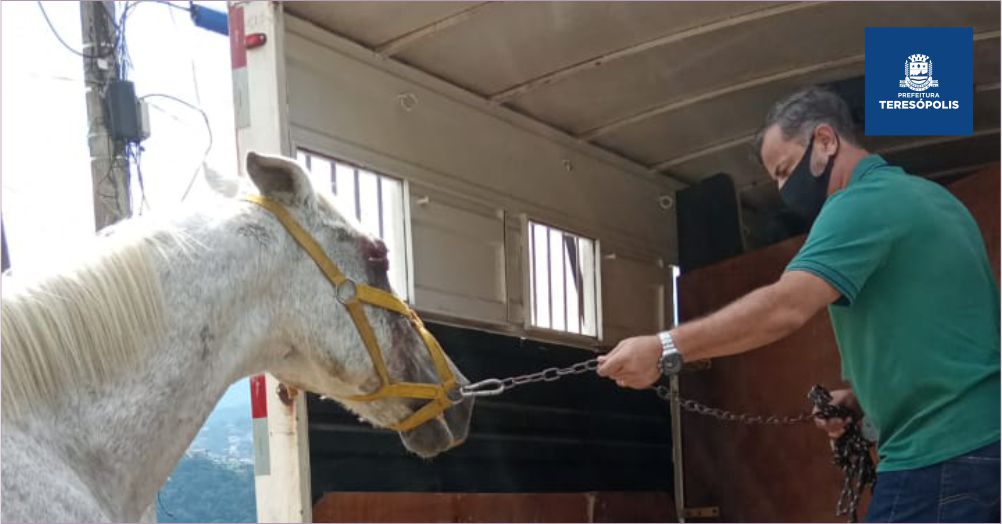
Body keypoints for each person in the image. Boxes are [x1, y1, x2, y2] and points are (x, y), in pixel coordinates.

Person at [596, 86, 1000, 523]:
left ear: (825, 140)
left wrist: (663, 348)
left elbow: (784, 307)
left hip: (938, 455)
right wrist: (864, 400)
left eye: (786, 170)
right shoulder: (938, 201)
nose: (785, 189)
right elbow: (948, 336)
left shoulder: (855, 205)